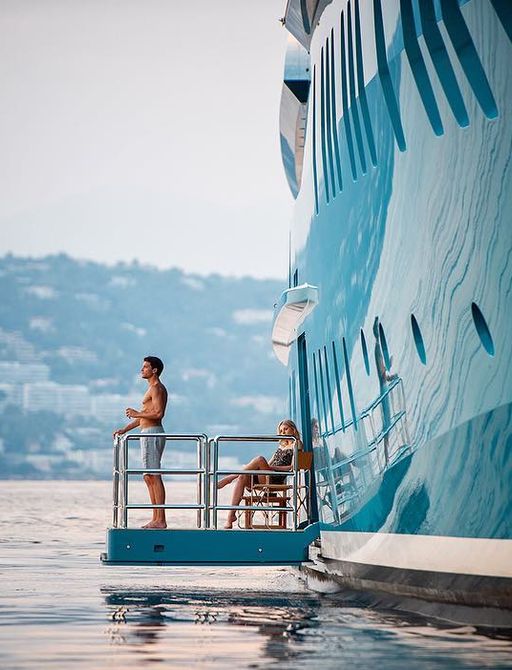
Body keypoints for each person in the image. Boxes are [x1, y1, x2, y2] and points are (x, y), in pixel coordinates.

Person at [113, 356, 168, 529]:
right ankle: (156, 517)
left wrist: (137, 414)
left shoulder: (157, 388)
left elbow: (158, 413)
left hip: (152, 433)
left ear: (154, 370)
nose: (142, 369)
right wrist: (125, 429)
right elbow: (144, 415)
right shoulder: (151, 389)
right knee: (148, 477)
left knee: (154, 475)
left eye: (145, 367)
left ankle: (161, 519)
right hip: (146, 432)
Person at [217, 419, 303, 529]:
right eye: (281, 431)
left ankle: (231, 477)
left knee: (259, 459)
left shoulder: (297, 444)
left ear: (293, 430)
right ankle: (230, 517)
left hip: (276, 478)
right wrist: (264, 467)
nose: (283, 433)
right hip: (267, 475)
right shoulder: (281, 446)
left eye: (286, 429)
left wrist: (269, 467)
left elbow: (292, 468)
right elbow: (269, 462)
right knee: (242, 477)